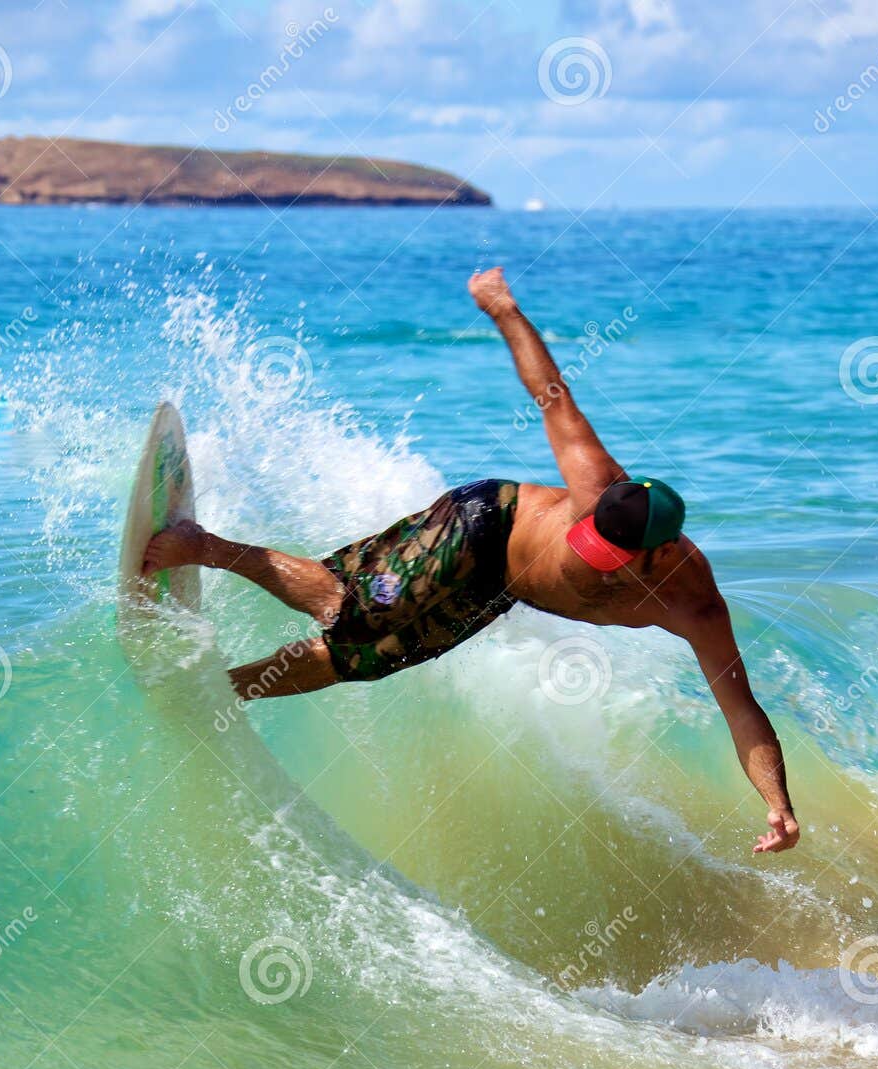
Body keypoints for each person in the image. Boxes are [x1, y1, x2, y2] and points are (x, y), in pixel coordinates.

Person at [144, 267, 799, 855]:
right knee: (352, 609)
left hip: (498, 589)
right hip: (484, 524)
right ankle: (202, 544)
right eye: (593, 542)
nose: (595, 560)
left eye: (613, 560)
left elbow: (740, 709)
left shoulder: (695, 607)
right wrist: (503, 309)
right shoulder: (597, 485)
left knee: (361, 659)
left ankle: (218, 690)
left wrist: (777, 803)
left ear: (661, 555)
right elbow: (551, 393)